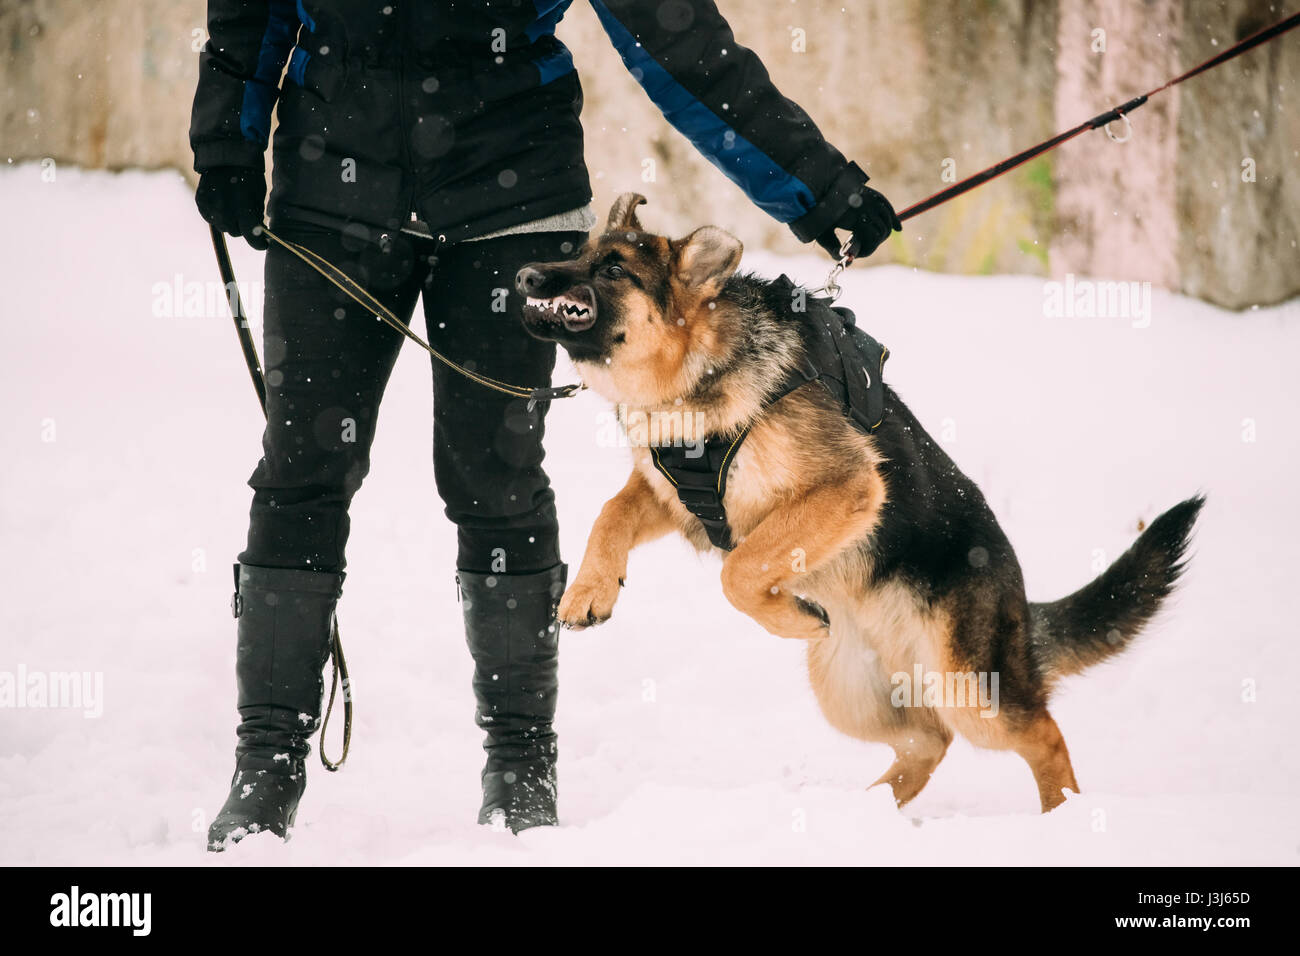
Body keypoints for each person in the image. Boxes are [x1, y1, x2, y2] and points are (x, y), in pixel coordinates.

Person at [192, 0, 901, 849]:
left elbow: (675, 39)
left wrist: (815, 184)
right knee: (302, 472)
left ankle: (521, 765)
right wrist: (229, 135)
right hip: (330, 193)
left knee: (493, 477)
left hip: (512, 202)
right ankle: (266, 765)